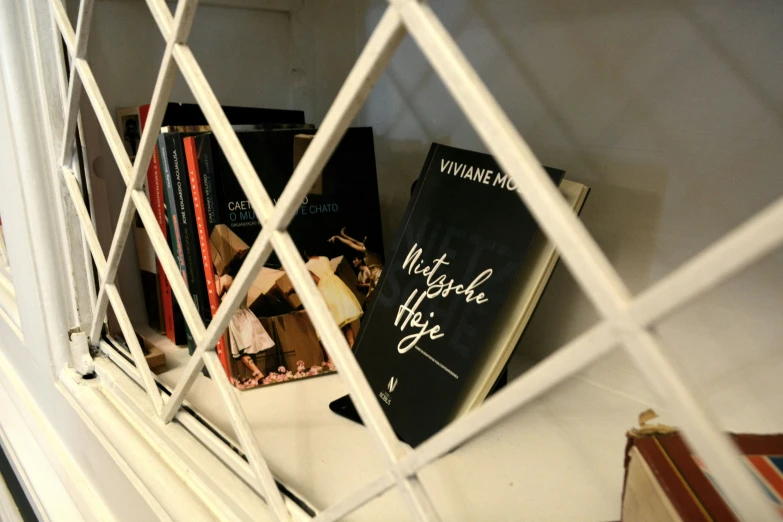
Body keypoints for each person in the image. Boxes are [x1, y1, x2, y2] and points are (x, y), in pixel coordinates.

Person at [216, 273, 275, 386]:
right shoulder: (241, 279)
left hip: (236, 318)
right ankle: (256, 373)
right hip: (246, 315)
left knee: (242, 352)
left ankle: (257, 373)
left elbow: (216, 299)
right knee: (249, 350)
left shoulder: (223, 280)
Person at [305, 256, 363, 348]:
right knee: (344, 320)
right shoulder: (324, 258)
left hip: (324, 291)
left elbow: (316, 280)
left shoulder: (307, 266)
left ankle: (343, 349)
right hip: (336, 287)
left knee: (332, 323)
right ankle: (352, 343)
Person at [328, 227, 383, 298]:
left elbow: (350, 244)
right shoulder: (367, 249)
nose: (364, 238)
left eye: (365, 239)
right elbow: (354, 241)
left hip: (377, 274)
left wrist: (338, 237)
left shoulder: (366, 250)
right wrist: (343, 235)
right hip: (375, 274)